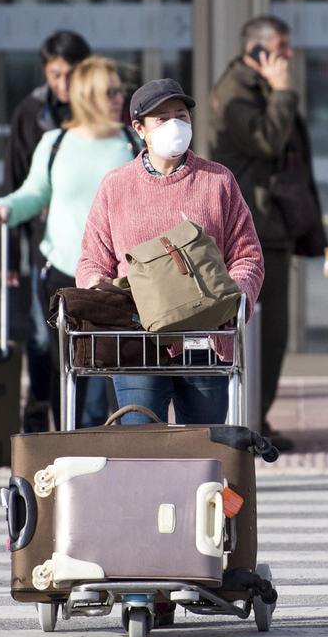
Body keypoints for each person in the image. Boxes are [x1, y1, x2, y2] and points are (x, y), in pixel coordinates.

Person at [76, 78, 264, 426]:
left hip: (206, 337)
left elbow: (247, 255)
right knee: (142, 444)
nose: (174, 125)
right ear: (139, 128)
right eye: (161, 119)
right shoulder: (116, 186)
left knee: (203, 447)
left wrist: (234, 299)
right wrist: (96, 284)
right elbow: (91, 258)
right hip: (134, 339)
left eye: (181, 116)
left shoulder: (217, 181)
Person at [0, 56, 137, 429]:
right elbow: (34, 193)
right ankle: (71, 447)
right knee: (66, 368)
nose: (120, 97)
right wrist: (5, 207)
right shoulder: (55, 143)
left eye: (121, 90)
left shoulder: (132, 142)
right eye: (111, 91)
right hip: (62, 275)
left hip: (120, 281)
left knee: (125, 365)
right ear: (86, 95)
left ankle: (127, 450)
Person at [210, 14, 323, 450]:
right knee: (259, 331)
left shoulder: (258, 89)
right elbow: (266, 140)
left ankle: (260, 417)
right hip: (252, 227)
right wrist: (283, 92)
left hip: (273, 224)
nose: (288, 56)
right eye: (281, 47)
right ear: (256, 51)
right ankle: (248, 420)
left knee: (273, 333)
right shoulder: (235, 90)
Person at [4, 30, 90, 433]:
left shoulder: (104, 113)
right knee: (42, 335)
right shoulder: (31, 113)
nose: (63, 83)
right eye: (55, 74)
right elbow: (19, 184)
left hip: (93, 243)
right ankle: (40, 405)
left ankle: (88, 427)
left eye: (70, 73)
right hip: (47, 243)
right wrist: (11, 255)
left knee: (92, 339)